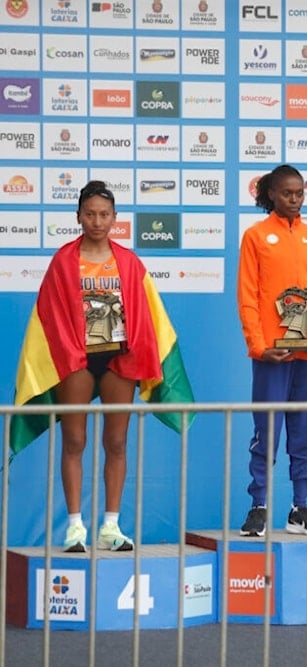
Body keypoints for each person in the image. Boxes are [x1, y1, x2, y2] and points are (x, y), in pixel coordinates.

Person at [12, 180, 194, 552]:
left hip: (118, 359)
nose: (97, 221)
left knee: (116, 441)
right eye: (90, 214)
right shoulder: (64, 260)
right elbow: (50, 316)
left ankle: (111, 527)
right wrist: (72, 350)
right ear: (78, 216)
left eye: (104, 214)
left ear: (115, 219)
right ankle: (75, 528)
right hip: (77, 358)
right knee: (75, 440)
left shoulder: (129, 262)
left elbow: (145, 315)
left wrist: (135, 350)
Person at [237, 164, 307, 536]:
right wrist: (259, 346)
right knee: (267, 430)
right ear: (271, 195)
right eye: (286, 193)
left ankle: (301, 508)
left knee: (305, 431)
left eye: (299, 193)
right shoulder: (256, 237)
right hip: (271, 355)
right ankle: (258, 506)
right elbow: (247, 297)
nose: (294, 199)